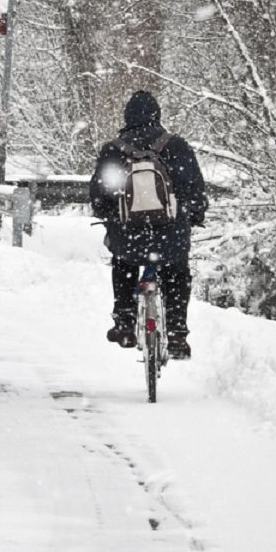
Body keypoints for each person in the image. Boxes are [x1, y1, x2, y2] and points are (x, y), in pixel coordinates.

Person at [89, 90, 207, 359]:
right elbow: (195, 189)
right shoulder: (176, 146)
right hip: (170, 233)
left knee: (123, 264)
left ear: (127, 117)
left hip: (129, 234)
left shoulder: (114, 149)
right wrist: (194, 215)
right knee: (176, 272)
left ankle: (125, 324)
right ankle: (177, 333)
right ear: (158, 115)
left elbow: (99, 193)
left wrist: (109, 216)